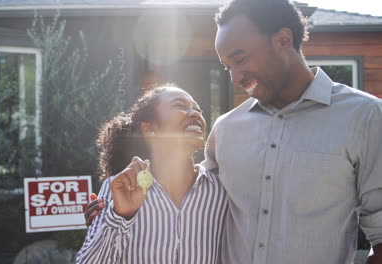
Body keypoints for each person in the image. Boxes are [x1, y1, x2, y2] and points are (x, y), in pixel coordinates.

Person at [203, 0, 382, 263]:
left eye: (240, 59)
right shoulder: (225, 129)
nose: (235, 78)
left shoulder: (365, 117)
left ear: (283, 39)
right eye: (227, 66)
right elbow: (192, 210)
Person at [76, 85, 228, 263]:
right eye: (180, 106)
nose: (195, 113)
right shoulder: (120, 188)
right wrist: (120, 216)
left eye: (197, 109)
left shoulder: (220, 191)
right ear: (149, 129)